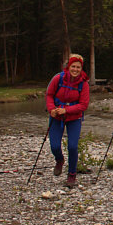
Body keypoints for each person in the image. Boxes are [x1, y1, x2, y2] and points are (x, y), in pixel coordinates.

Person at [45, 54, 90, 187]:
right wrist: (51, 109)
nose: (75, 69)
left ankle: (72, 175)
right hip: (56, 116)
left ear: (81, 68)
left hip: (74, 118)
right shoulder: (58, 78)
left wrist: (67, 110)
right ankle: (59, 160)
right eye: (73, 66)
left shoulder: (84, 83)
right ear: (68, 67)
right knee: (54, 146)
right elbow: (49, 95)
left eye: (78, 67)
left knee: (72, 146)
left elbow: (83, 105)